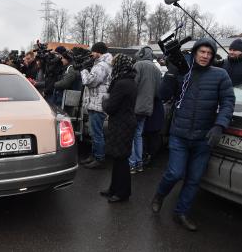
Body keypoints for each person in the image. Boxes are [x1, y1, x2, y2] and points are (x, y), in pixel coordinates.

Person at [151, 38, 235, 231]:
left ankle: (181, 212)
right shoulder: (182, 72)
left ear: (212, 56)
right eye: (202, 52)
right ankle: (160, 195)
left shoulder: (220, 75)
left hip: (203, 139)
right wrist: (171, 72)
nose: (205, 56)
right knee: (174, 173)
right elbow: (163, 95)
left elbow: (228, 102)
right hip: (179, 135)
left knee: (194, 179)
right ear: (195, 52)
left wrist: (219, 126)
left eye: (209, 53)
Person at [100, 54, 137, 202]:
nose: (113, 66)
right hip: (124, 122)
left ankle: (122, 193)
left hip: (122, 124)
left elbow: (111, 107)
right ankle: (114, 189)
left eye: (114, 64)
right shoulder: (129, 80)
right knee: (118, 158)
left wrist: (104, 102)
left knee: (121, 159)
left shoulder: (121, 83)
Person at [129, 46, 162, 174]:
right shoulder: (157, 69)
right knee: (138, 135)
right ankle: (139, 163)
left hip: (135, 106)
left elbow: (133, 86)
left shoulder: (139, 65)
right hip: (148, 108)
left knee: (132, 136)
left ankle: (132, 164)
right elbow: (158, 91)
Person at [80, 42, 113, 169]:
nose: (91, 54)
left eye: (93, 52)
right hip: (96, 102)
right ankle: (93, 155)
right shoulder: (101, 64)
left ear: (98, 52)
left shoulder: (102, 65)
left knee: (96, 133)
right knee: (94, 133)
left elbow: (89, 81)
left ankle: (99, 158)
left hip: (98, 104)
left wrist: (84, 70)